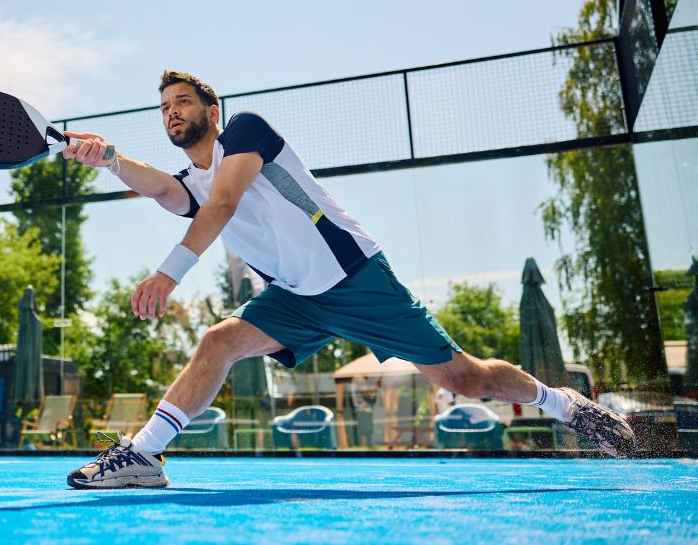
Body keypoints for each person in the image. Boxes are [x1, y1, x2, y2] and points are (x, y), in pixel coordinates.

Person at [60, 70, 635, 489]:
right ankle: (144, 455)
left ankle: (568, 407)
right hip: (293, 299)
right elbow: (166, 189)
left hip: (356, 279)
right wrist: (109, 158)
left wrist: (169, 272)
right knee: (217, 342)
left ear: (212, 109)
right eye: (163, 108)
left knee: (465, 379)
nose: (172, 113)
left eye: (182, 102)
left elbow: (225, 204)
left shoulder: (247, 131)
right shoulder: (194, 178)